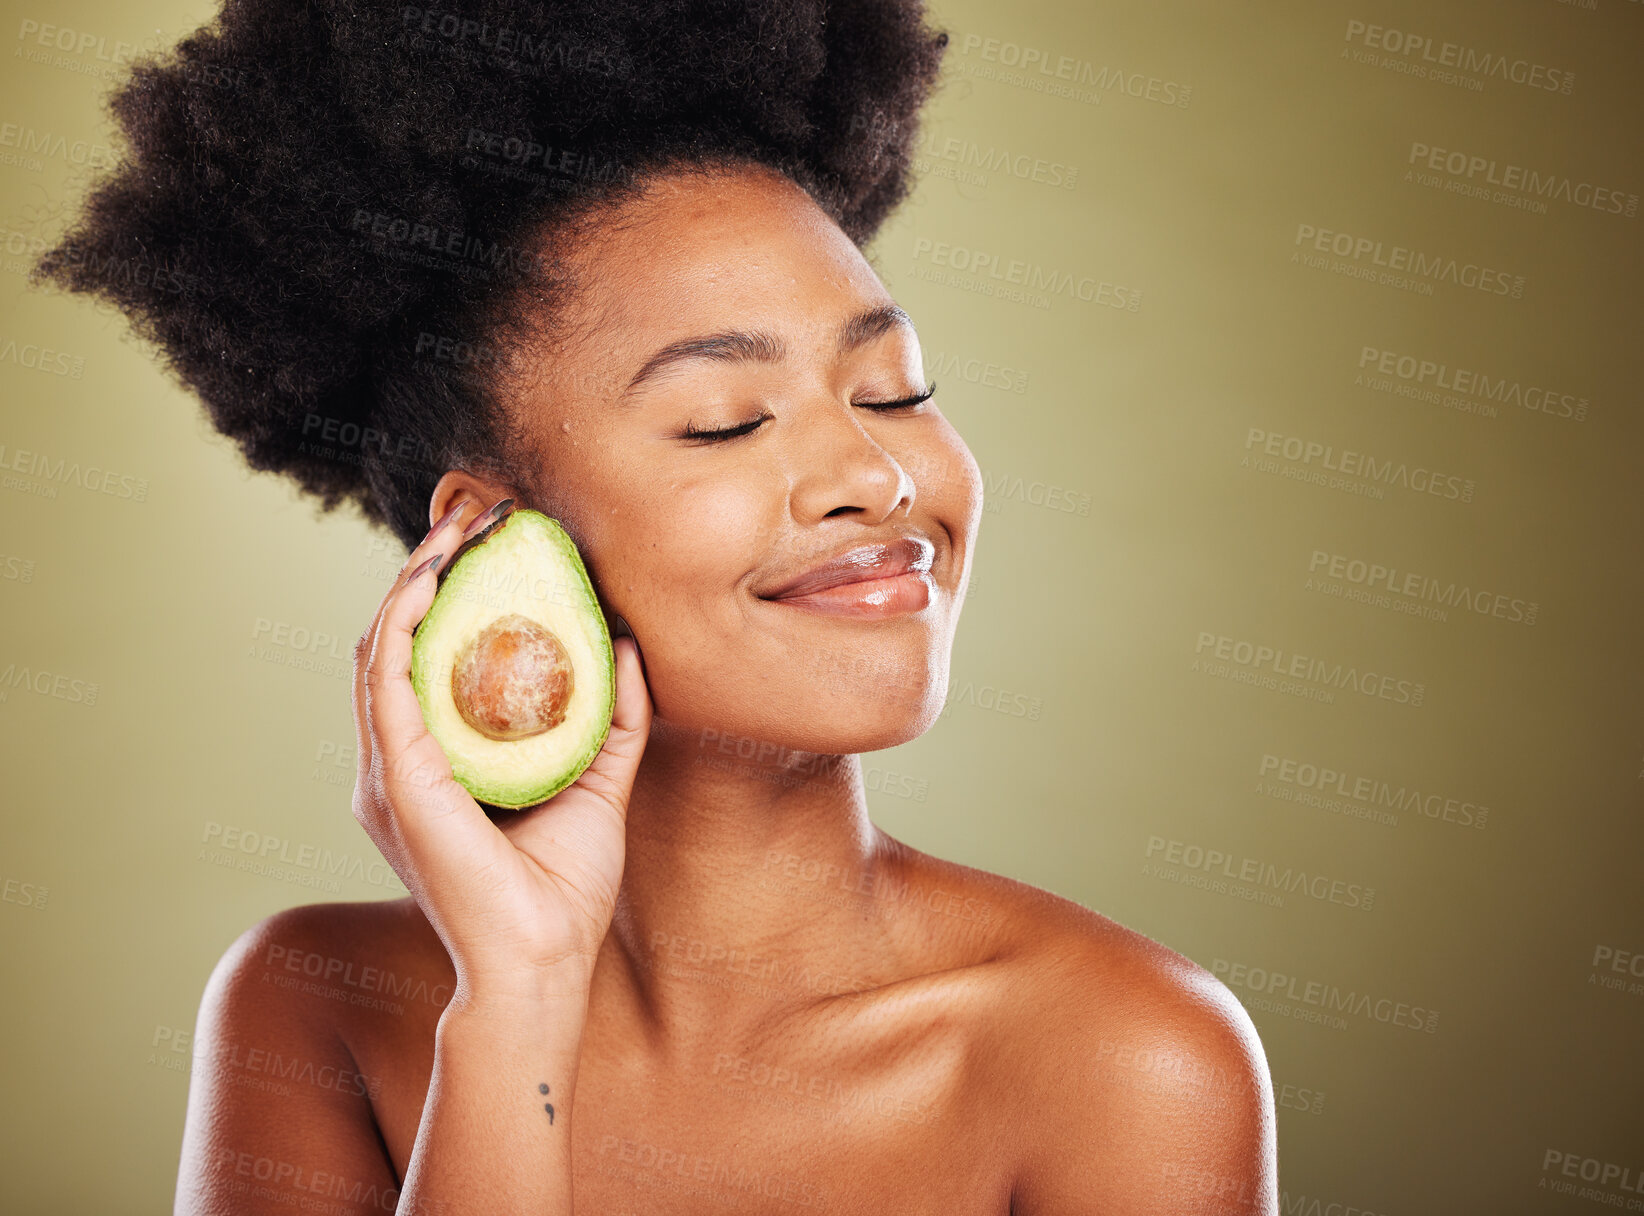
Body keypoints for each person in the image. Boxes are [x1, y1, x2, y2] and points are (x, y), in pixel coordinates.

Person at [33, 2, 1277, 1210]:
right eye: (726, 420)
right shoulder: (311, 1006)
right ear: (488, 531)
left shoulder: (1126, 1056)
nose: (876, 474)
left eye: (895, 389)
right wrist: (515, 994)